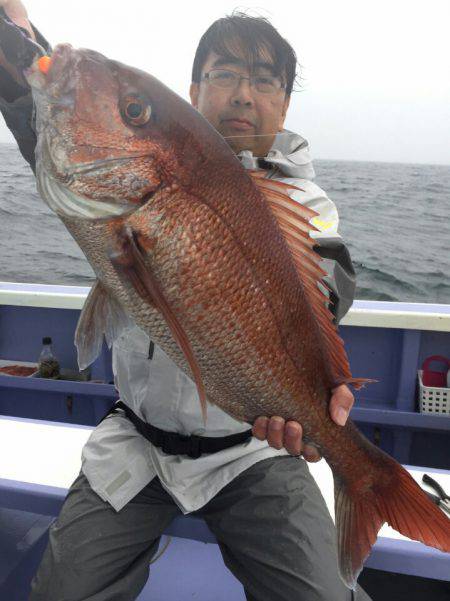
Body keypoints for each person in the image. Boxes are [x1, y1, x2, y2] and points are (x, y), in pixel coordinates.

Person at [0, 2, 370, 600]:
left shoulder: (306, 205)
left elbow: (326, 286)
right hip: (139, 440)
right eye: (224, 74)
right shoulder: (137, 171)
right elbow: (55, 126)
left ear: (285, 103)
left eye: (264, 79)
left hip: (253, 450)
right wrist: (19, 37)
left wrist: (319, 386)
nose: (243, 95)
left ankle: (367, 490)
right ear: (194, 90)